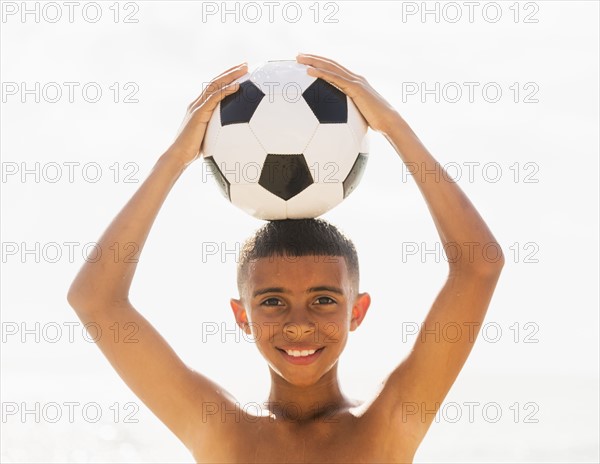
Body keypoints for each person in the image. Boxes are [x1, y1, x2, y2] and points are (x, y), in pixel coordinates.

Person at [67, 53, 504, 463]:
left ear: (358, 310)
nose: (299, 324)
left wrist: (391, 124)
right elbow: (96, 301)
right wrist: (175, 158)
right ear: (242, 315)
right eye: (272, 301)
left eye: (324, 300)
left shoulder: (384, 428)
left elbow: (480, 264)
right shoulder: (222, 430)